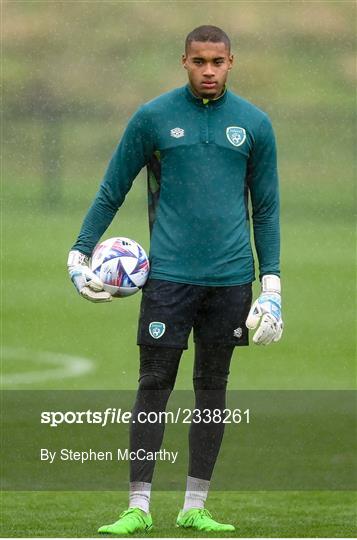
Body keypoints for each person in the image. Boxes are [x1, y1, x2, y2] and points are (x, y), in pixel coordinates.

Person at [67, 25, 283, 534]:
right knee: (154, 385)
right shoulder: (153, 119)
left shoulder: (254, 125)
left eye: (218, 62)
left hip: (231, 280)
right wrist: (78, 255)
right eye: (199, 61)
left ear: (232, 62)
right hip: (167, 279)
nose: (208, 71)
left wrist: (271, 287)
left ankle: (195, 505)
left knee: (212, 389)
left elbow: (267, 210)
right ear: (183, 61)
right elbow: (110, 191)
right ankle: (138, 506)